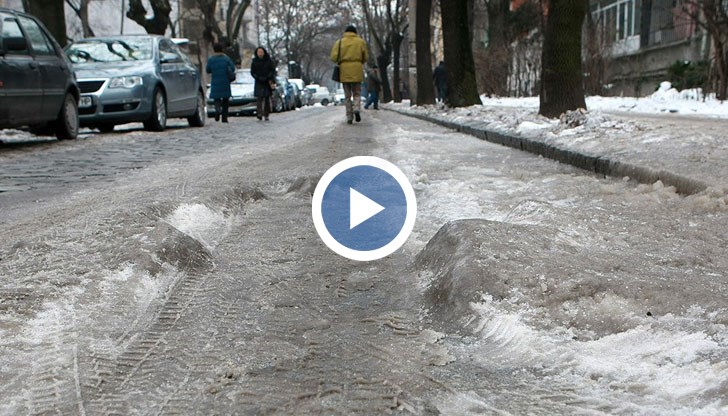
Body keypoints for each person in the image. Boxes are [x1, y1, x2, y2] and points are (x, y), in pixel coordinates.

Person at [330, 25, 368, 124]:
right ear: (355, 32)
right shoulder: (360, 42)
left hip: (344, 70)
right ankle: (356, 108)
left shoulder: (340, 42)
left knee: (347, 96)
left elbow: (333, 57)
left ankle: (349, 116)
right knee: (357, 93)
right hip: (357, 69)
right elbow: (366, 57)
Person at [206, 42, 235, 122]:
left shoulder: (211, 59)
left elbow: (208, 70)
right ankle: (224, 118)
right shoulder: (226, 58)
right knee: (225, 100)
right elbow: (232, 68)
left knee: (216, 98)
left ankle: (217, 110)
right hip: (225, 81)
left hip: (215, 81)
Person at [251, 46, 275, 121]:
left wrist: (268, 77)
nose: (260, 54)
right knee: (259, 98)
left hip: (267, 81)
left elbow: (272, 70)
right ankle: (259, 113)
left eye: (261, 52)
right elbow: (252, 72)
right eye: (259, 52)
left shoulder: (268, 61)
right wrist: (257, 77)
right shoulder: (254, 61)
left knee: (267, 97)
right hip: (259, 81)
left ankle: (266, 113)